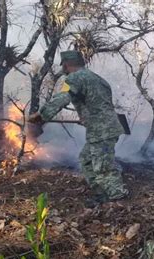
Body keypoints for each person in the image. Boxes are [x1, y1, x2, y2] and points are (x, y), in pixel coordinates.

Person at [29, 50, 129, 202]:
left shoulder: (74, 78)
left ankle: (118, 199)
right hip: (105, 127)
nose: (63, 69)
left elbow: (63, 97)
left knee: (103, 167)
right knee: (86, 160)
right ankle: (101, 194)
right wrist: (87, 118)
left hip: (102, 130)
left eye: (63, 65)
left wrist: (41, 115)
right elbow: (99, 103)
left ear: (67, 64)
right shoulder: (98, 79)